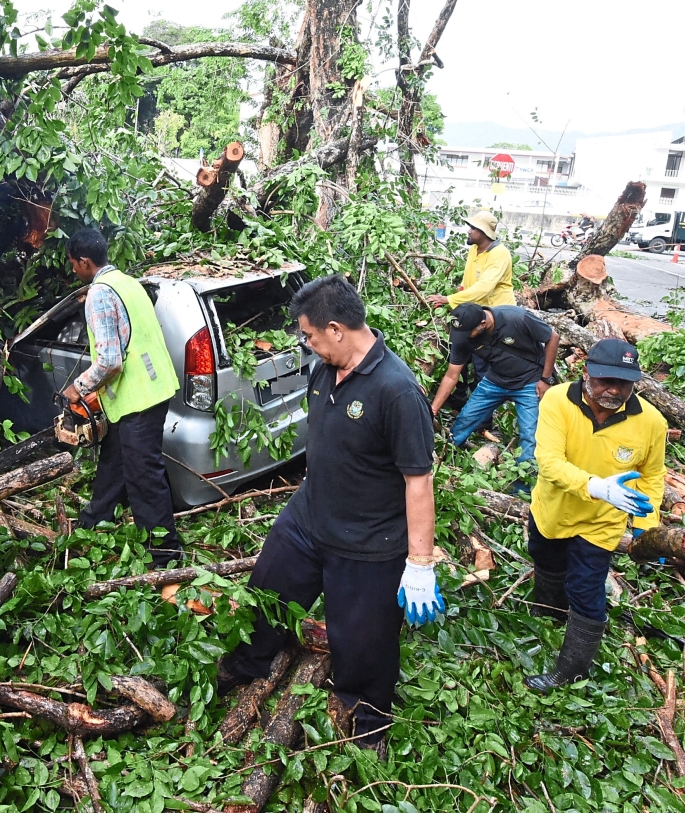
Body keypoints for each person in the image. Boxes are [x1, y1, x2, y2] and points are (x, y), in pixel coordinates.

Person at [217, 275, 441, 752]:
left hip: (367, 541)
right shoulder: (325, 369)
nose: (308, 344)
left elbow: (418, 481)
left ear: (336, 329)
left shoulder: (397, 392)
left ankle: (368, 719)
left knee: (364, 644)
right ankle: (244, 666)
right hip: (308, 517)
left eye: (311, 336)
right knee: (267, 595)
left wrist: (420, 564)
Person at [524, 339, 666, 693]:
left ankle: (570, 671)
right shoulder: (557, 400)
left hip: (601, 522)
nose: (614, 390)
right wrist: (598, 486)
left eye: (624, 383)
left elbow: (652, 475)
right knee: (546, 558)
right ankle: (549, 611)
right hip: (553, 509)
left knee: (586, 590)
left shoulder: (651, 422)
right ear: (585, 372)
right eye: (605, 380)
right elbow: (550, 462)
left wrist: (648, 529)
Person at [64, 228, 183, 569]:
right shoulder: (128, 282)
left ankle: (164, 556)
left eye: (74, 264)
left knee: (143, 475)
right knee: (116, 459)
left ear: (85, 262)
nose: (74, 270)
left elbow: (109, 361)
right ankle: (96, 519)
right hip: (153, 389)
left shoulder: (100, 294)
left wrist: (79, 387)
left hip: (138, 398)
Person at [429, 303, 560, 480]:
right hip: (495, 380)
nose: (464, 337)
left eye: (468, 333)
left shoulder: (516, 318)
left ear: (483, 323)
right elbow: (452, 375)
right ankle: (444, 459)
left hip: (529, 381)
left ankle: (522, 484)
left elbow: (552, 337)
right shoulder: (464, 337)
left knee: (530, 436)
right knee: (466, 419)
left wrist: (546, 379)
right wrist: (433, 409)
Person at [428, 211, 515, 310]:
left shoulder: (499, 253)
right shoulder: (474, 249)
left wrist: (448, 299)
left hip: (499, 312)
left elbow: (484, 288)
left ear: (484, 232)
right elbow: (467, 279)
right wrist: (457, 296)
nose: (469, 231)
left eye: (473, 228)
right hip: (479, 309)